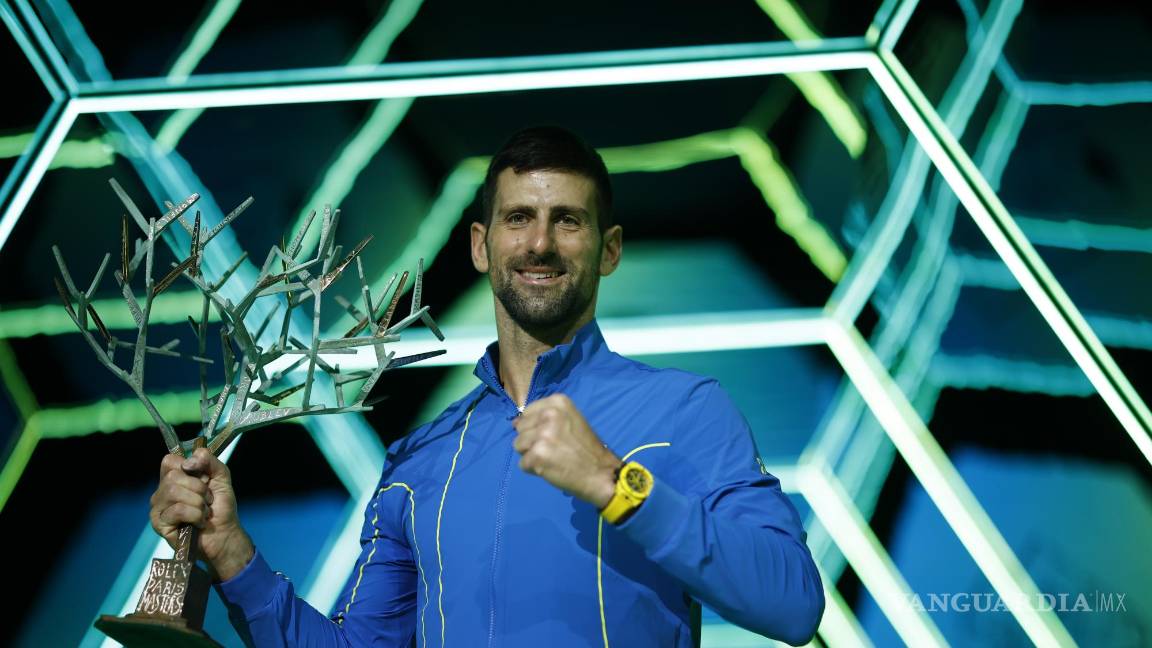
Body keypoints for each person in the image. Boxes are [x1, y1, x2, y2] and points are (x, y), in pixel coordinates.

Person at [151, 126, 825, 647]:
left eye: (568, 220)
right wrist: (232, 555)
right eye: (518, 218)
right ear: (480, 245)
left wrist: (615, 485)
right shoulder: (420, 458)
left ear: (610, 249)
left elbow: (794, 604)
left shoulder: (687, 409)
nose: (540, 243)